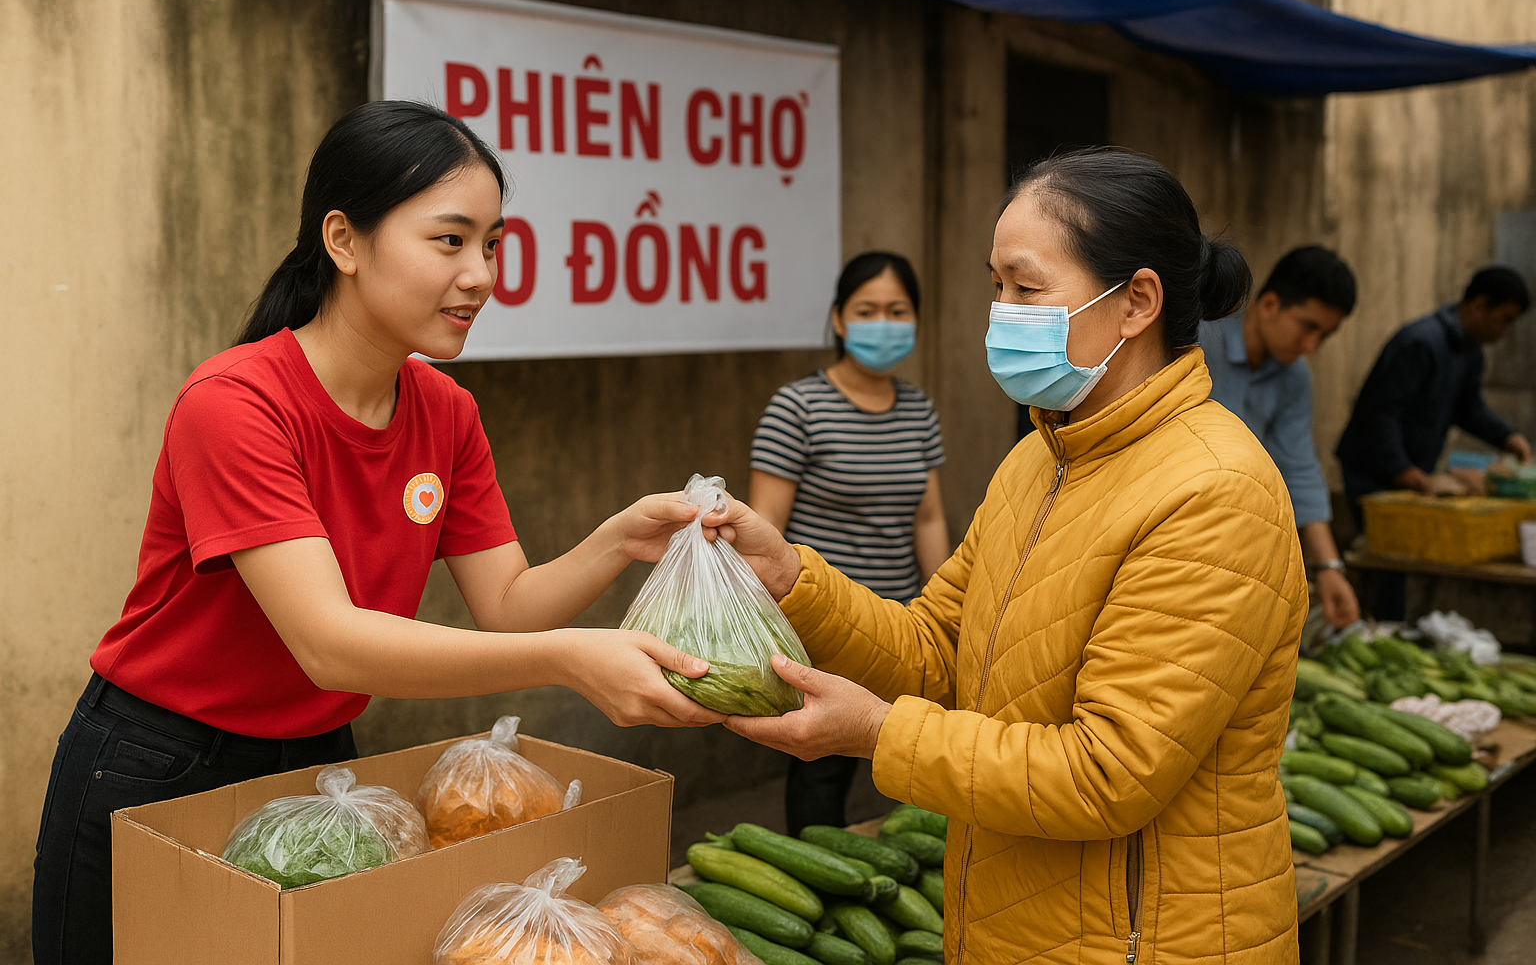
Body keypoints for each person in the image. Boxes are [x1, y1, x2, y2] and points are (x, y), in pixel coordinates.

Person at [32, 101, 723, 965]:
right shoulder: (236, 404)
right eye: (450, 240)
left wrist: (615, 541)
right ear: (344, 241)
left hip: (320, 764)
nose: (481, 274)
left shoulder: (446, 411)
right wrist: (572, 658)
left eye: (493, 243)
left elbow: (507, 606)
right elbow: (330, 644)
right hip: (161, 760)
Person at [717, 148, 1308, 964]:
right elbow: (935, 653)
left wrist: (879, 735)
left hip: (1144, 942)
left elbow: (1108, 773)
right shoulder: (1039, 458)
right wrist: (791, 578)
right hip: (1012, 924)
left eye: (1027, 289)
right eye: (996, 287)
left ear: (1137, 300)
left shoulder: (1216, 491)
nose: (1001, 312)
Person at [747, 251, 948, 835]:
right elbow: (764, 530)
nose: (882, 323)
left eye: (897, 311)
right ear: (838, 319)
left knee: (913, 769)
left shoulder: (918, 409)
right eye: (867, 310)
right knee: (823, 772)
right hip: (824, 625)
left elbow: (929, 516)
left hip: (904, 628)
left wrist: (944, 612)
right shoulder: (798, 407)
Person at [1199, 245, 1361, 629]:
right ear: (1269, 304)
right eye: (1308, 326)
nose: (1312, 346)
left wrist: (1328, 567)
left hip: (1234, 537)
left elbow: (1298, 464)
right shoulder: (1199, 337)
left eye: (1325, 335)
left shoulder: (1294, 375)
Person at [1336, 265, 1532, 504]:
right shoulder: (1420, 343)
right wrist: (1411, 476)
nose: (1505, 331)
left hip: (1412, 471)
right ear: (1480, 305)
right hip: (1372, 474)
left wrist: (1507, 437)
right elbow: (1380, 415)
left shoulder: (1470, 353)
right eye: (1505, 319)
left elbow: (1469, 408)